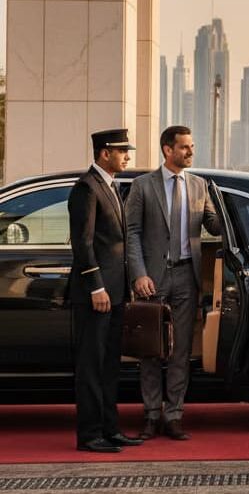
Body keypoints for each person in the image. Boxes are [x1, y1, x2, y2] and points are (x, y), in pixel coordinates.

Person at [125, 125, 221, 441]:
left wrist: (231, 214)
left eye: (192, 146)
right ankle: (151, 415)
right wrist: (139, 274)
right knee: (151, 349)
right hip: (151, 278)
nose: (191, 151)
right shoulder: (142, 186)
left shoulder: (199, 186)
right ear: (168, 149)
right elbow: (132, 233)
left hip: (185, 276)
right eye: (184, 147)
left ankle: (174, 415)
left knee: (180, 350)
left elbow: (213, 224)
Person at [68, 128, 145, 453]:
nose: (127, 156)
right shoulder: (87, 188)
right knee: (91, 366)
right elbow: (83, 244)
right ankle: (90, 434)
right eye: (122, 151)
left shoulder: (111, 186)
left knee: (110, 365)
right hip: (96, 295)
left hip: (115, 293)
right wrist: (96, 286)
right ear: (104, 153)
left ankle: (110, 429)